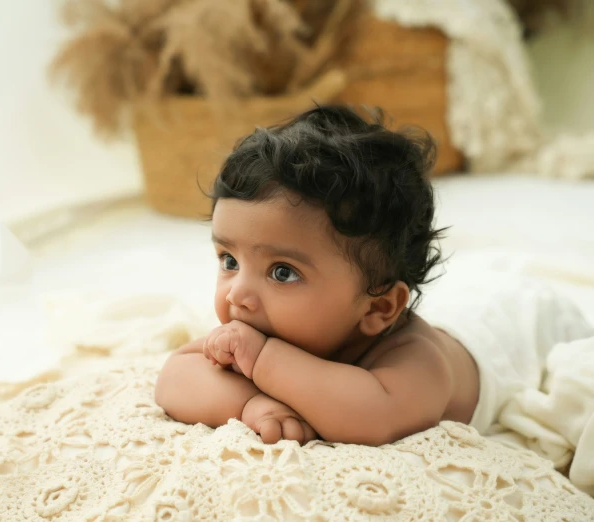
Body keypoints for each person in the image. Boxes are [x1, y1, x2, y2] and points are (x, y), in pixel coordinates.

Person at [154, 105, 592, 446]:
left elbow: (371, 417)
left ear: (379, 307)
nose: (239, 294)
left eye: (282, 272)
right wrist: (251, 403)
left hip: (528, 323)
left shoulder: (419, 360)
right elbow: (176, 377)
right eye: (228, 260)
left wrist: (262, 361)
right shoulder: (261, 322)